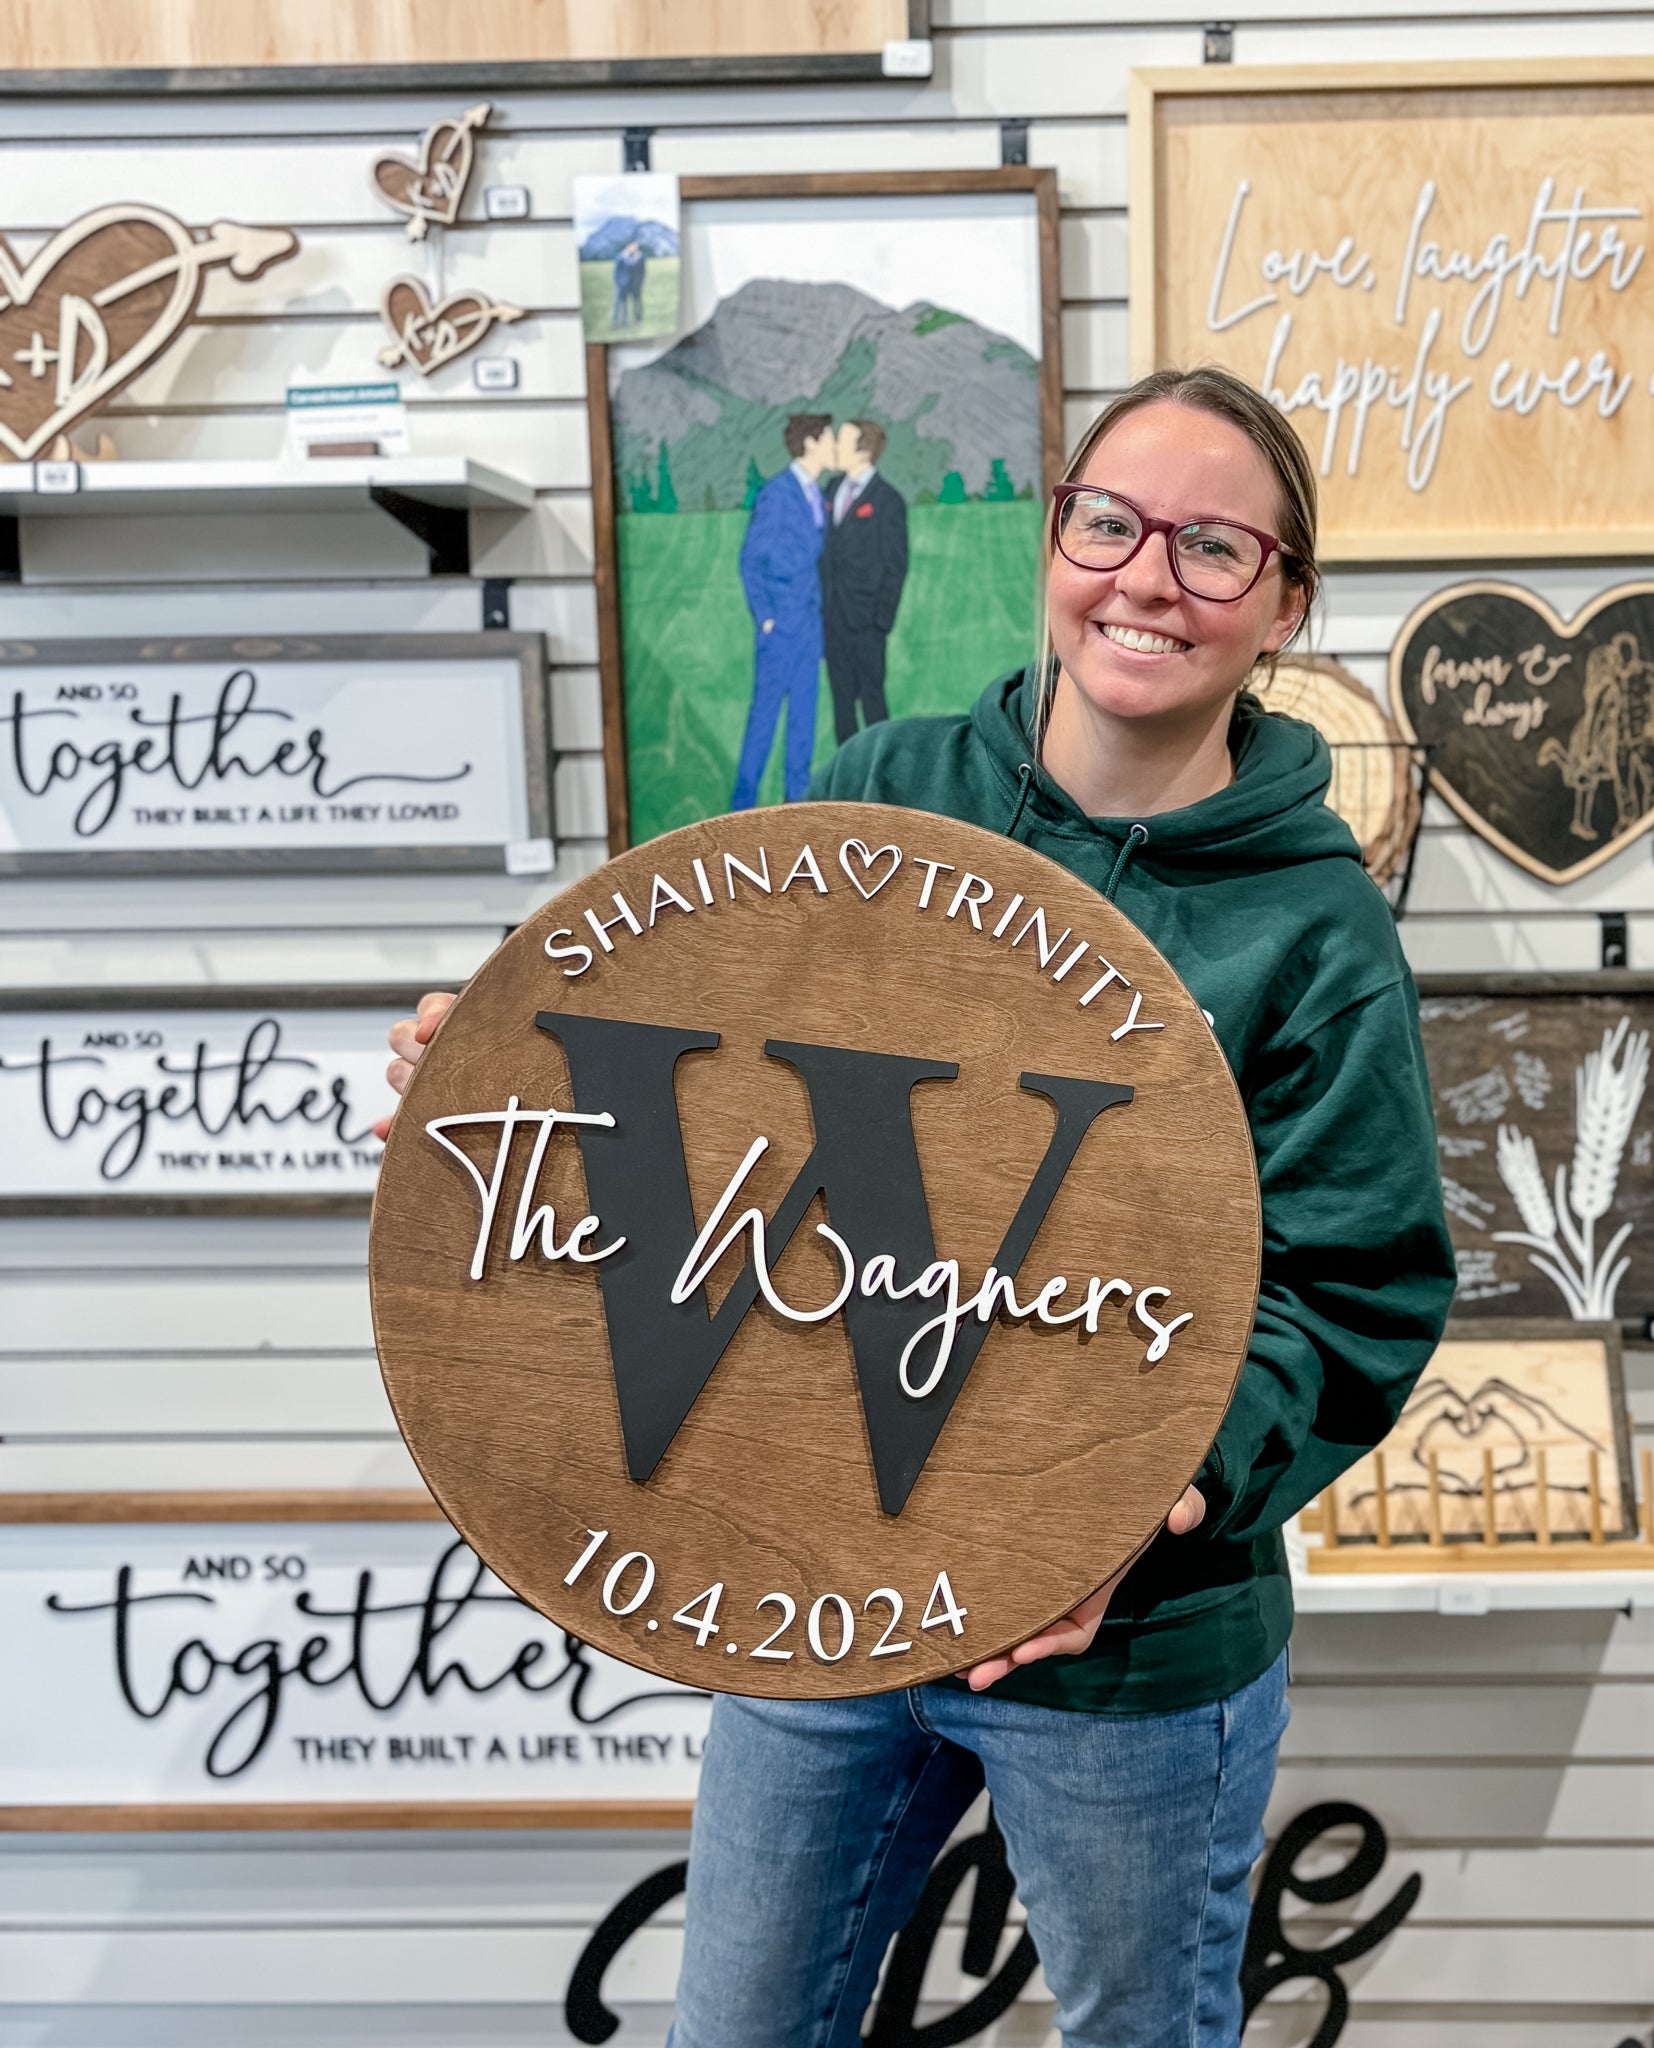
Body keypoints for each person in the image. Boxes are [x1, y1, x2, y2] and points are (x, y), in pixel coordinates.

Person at [380, 365, 1455, 2048]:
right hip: (822, 1588)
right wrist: (518, 1080)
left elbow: (1358, 1289)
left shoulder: (1313, 925)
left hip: (1122, 1645)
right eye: (1110, 521)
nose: (1146, 576)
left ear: (1283, 606)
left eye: (1212, 547)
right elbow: (713, 1060)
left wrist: (1151, 1495)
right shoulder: (887, 785)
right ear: (1053, 539)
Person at [733, 412, 835, 808]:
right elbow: (751, 560)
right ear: (809, 443)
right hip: (781, 632)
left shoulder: (816, 494)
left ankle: (796, 811)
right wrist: (766, 617)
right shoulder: (777, 494)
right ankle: (741, 807)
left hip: (810, 627)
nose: (831, 447)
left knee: (803, 726)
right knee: (764, 721)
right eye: (826, 438)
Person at [821, 416, 910, 742]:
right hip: (833, 619)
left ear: (862, 450)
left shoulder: (888, 500)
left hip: (867, 623)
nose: (835, 447)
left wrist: (880, 621)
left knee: (872, 700)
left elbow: (896, 565)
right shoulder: (831, 489)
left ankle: (877, 775)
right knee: (841, 703)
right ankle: (846, 782)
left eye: (842, 441)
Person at [610, 236, 646, 329]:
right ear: (628, 246)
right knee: (619, 303)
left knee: (636, 302)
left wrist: (639, 282)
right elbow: (617, 272)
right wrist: (619, 283)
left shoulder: (638, 256)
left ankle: (634, 320)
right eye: (634, 246)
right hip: (622, 284)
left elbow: (642, 271)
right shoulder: (621, 257)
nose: (636, 247)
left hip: (634, 284)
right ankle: (616, 321)